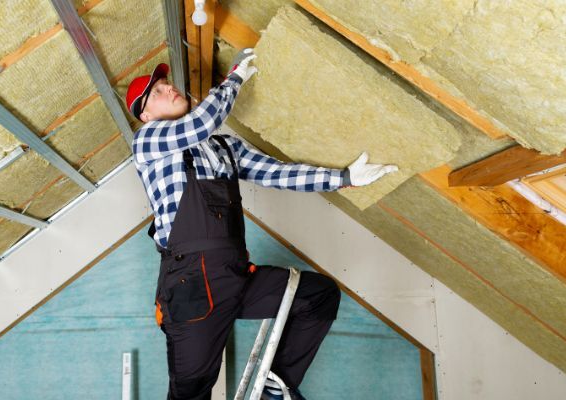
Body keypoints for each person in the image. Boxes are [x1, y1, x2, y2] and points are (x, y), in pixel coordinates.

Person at [125, 49, 398, 400]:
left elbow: (278, 173)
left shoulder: (224, 146)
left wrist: (343, 178)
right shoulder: (148, 141)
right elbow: (200, 123)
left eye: (167, 84)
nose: (169, 89)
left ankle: (276, 385)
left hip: (236, 277)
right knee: (190, 392)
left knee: (318, 296)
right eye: (158, 92)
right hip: (193, 286)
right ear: (146, 114)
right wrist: (233, 81)